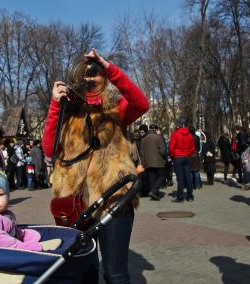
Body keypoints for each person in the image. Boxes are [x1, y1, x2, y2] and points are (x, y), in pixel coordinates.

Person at [42, 48, 149, 283]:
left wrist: (108, 65)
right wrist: (55, 105)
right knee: (82, 274)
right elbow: (49, 149)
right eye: (85, 73)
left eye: (95, 72)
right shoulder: (69, 110)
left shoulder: (116, 108)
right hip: (75, 204)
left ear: (105, 76)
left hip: (114, 200)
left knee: (115, 274)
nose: (90, 77)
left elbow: (141, 104)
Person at [169, 117, 196, 202]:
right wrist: (188, 154)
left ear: (178, 125)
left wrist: (173, 155)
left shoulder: (175, 134)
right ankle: (190, 195)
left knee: (180, 177)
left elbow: (171, 148)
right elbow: (192, 148)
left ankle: (180, 197)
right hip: (187, 157)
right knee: (188, 176)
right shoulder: (189, 135)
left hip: (178, 157)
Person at [140, 124, 166, 200]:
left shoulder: (143, 139)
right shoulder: (159, 137)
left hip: (148, 162)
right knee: (161, 176)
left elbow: (142, 152)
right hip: (158, 161)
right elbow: (163, 151)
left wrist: (144, 161)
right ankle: (154, 191)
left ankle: (154, 194)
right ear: (156, 129)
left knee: (152, 178)